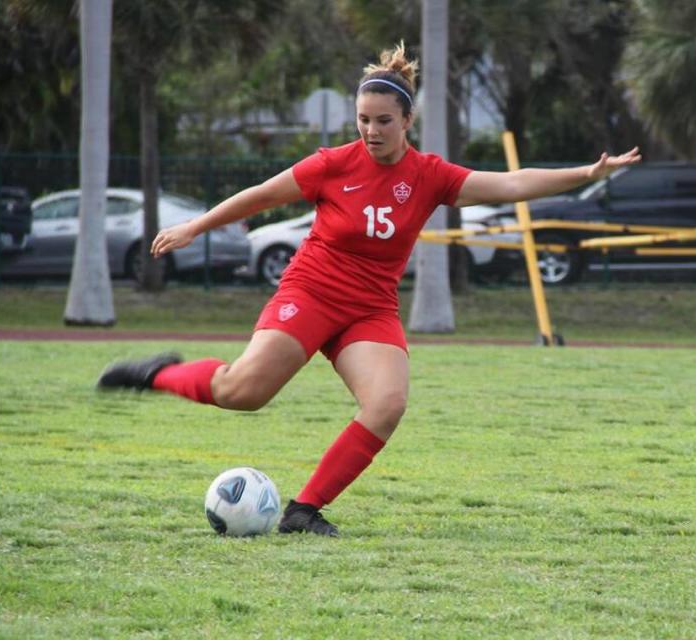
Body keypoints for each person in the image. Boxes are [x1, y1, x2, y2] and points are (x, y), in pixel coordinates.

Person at [97, 43, 641, 537]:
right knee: (244, 393)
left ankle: (303, 511)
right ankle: (157, 374)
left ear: (408, 119)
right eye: (363, 120)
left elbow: (511, 183)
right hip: (311, 290)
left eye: (384, 120)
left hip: (371, 308)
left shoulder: (429, 174)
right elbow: (262, 195)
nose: (371, 130)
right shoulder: (332, 165)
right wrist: (196, 226)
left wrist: (584, 174)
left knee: (386, 403)